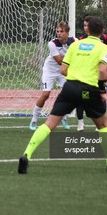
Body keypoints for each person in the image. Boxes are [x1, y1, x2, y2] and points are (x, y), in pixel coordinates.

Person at [19, 17, 107, 174]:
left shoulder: (76, 45)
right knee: (103, 126)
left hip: (70, 87)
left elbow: (63, 70)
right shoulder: (103, 47)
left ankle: (27, 154)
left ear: (86, 30)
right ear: (102, 32)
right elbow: (102, 71)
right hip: (90, 89)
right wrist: (102, 90)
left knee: (49, 124)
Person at [29, 21, 77, 131]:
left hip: (64, 71)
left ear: (67, 33)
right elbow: (59, 61)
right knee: (45, 94)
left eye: (62, 32)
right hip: (50, 70)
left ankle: (64, 118)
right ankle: (34, 120)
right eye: (58, 32)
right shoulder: (52, 43)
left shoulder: (75, 41)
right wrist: (74, 58)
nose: (59, 34)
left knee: (67, 94)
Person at [76, 15, 107, 131]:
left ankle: (100, 123)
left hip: (99, 73)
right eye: (84, 25)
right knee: (81, 97)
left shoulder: (103, 38)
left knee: (100, 96)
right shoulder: (81, 39)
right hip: (86, 73)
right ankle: (80, 122)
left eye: (87, 25)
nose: (85, 27)